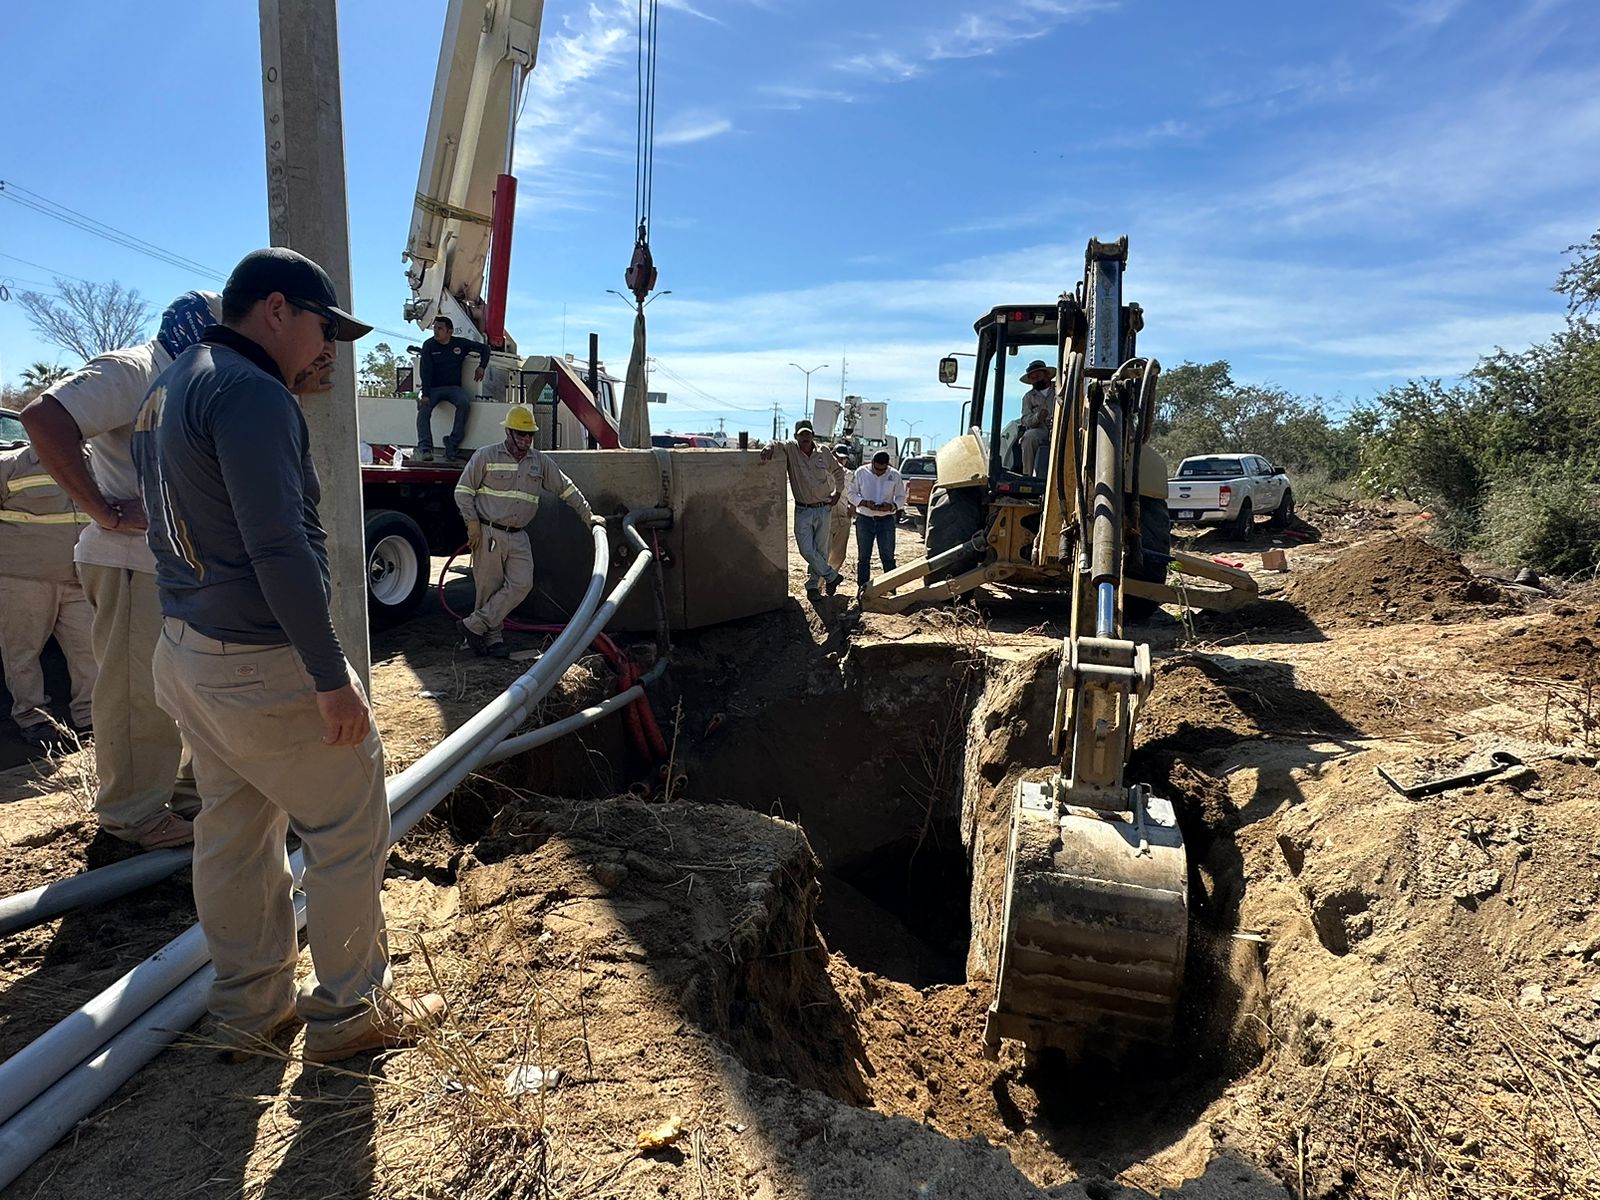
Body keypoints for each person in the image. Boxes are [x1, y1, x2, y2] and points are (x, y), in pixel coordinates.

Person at [132, 246, 442, 1063]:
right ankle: (348, 1015)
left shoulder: (168, 388)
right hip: (260, 659)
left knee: (234, 825)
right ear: (276, 309)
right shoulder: (251, 392)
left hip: (188, 649)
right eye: (322, 329)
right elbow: (278, 550)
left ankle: (246, 1008)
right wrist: (328, 673)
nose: (328, 349)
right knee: (346, 826)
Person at [20, 291, 220, 850]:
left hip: (169, 563)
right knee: (135, 694)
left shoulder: (182, 379)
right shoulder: (134, 370)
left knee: (178, 689)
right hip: (130, 563)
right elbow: (44, 416)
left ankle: (180, 796)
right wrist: (102, 509)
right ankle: (133, 818)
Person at [453, 405, 599, 658]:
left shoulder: (539, 462)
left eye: (529, 434)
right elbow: (463, 491)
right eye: (521, 434)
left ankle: (474, 625)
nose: (526, 439)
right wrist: (472, 523)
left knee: (522, 583)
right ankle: (491, 640)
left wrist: (589, 516)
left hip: (518, 534)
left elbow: (566, 488)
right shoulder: (486, 456)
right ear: (508, 432)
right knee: (489, 588)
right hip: (489, 533)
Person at [0, 441, 95, 746]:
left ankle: (89, 718)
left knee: (90, 651)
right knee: (22, 653)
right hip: (24, 578)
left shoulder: (94, 461)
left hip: (79, 576)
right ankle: (33, 718)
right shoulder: (11, 464)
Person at [759, 419, 847, 596]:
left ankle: (813, 586)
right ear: (795, 436)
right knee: (806, 549)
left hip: (823, 508)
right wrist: (768, 446)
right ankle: (831, 576)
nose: (805, 437)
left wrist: (838, 493)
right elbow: (775, 442)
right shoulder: (791, 448)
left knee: (821, 551)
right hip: (803, 509)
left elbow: (838, 471)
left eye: (808, 434)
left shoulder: (823, 451)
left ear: (813, 435)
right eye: (801, 434)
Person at [416, 315, 489, 463]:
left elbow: (485, 348)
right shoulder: (428, 345)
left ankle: (452, 443)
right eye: (435, 328)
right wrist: (425, 393)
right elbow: (425, 370)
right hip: (433, 388)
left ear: (450, 332)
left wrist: (482, 367)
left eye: (440, 329)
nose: (436, 331)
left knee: (464, 403)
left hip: (453, 388)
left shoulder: (460, 344)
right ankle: (425, 448)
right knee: (423, 410)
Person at [848, 450, 909, 592]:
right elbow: (851, 494)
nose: (880, 472)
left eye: (884, 469)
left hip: (886, 520)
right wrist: (863, 503)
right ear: (872, 463)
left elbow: (901, 497)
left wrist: (893, 506)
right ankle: (863, 589)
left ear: (888, 465)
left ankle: (891, 589)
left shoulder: (894, 475)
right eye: (877, 469)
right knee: (864, 557)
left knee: (888, 557)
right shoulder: (861, 472)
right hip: (864, 519)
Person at [1018, 359, 1056, 477]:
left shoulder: (1061, 389)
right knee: (1029, 437)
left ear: (1047, 375)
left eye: (1038, 375)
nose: (1036, 379)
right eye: (1033, 378)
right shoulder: (1028, 397)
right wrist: (1038, 416)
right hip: (1042, 430)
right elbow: (1025, 420)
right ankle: (1028, 475)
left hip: (1062, 428)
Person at [826, 443, 853, 576]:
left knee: (839, 554)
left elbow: (855, 494)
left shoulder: (850, 475)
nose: (840, 461)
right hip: (826, 517)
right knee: (822, 553)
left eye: (843, 459)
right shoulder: (823, 473)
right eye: (837, 458)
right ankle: (817, 585)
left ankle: (831, 579)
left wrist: (852, 506)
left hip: (843, 517)